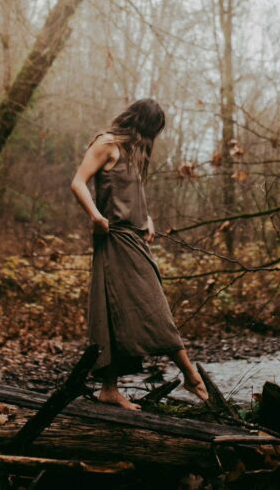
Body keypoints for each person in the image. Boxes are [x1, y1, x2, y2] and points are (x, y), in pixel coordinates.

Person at [70, 98, 209, 410]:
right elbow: (78, 182)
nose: (151, 140)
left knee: (120, 311)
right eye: (150, 131)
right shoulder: (107, 143)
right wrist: (95, 215)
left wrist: (147, 217)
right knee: (150, 307)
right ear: (139, 123)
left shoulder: (134, 152)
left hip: (134, 240)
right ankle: (190, 373)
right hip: (114, 238)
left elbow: (131, 191)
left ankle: (109, 388)